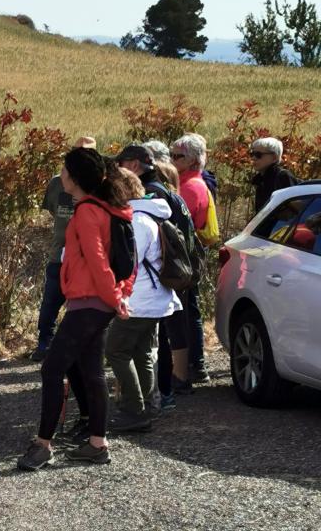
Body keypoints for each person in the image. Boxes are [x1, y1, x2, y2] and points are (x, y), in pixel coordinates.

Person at [17, 147, 134, 471]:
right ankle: (97, 443)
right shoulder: (106, 209)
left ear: (75, 177)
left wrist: (114, 298)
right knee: (92, 373)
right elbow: (125, 261)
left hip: (89, 303)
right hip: (96, 302)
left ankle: (43, 445)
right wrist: (118, 297)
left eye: (65, 169)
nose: (61, 175)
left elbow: (98, 262)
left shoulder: (86, 212)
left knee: (52, 369)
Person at [105, 168, 182, 432]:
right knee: (141, 353)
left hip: (140, 299)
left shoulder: (137, 220)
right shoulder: (152, 214)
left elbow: (128, 263)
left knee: (116, 349)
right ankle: (147, 407)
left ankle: (134, 410)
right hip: (156, 298)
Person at [31, 136, 97, 363]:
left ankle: (80, 348)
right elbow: (54, 211)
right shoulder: (57, 183)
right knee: (50, 302)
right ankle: (43, 343)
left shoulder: (99, 184)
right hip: (58, 255)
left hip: (85, 258)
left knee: (81, 306)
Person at [169, 134, 211, 385]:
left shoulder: (190, 186)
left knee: (186, 311)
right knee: (188, 310)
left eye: (178, 156)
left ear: (193, 159)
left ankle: (194, 364)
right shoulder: (189, 182)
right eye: (171, 154)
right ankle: (196, 364)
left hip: (185, 258)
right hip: (189, 256)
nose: (173, 160)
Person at [250, 137, 298, 214]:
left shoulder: (283, 177)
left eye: (258, 155)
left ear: (274, 158)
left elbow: (292, 212)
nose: (253, 158)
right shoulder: (260, 180)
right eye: (252, 154)